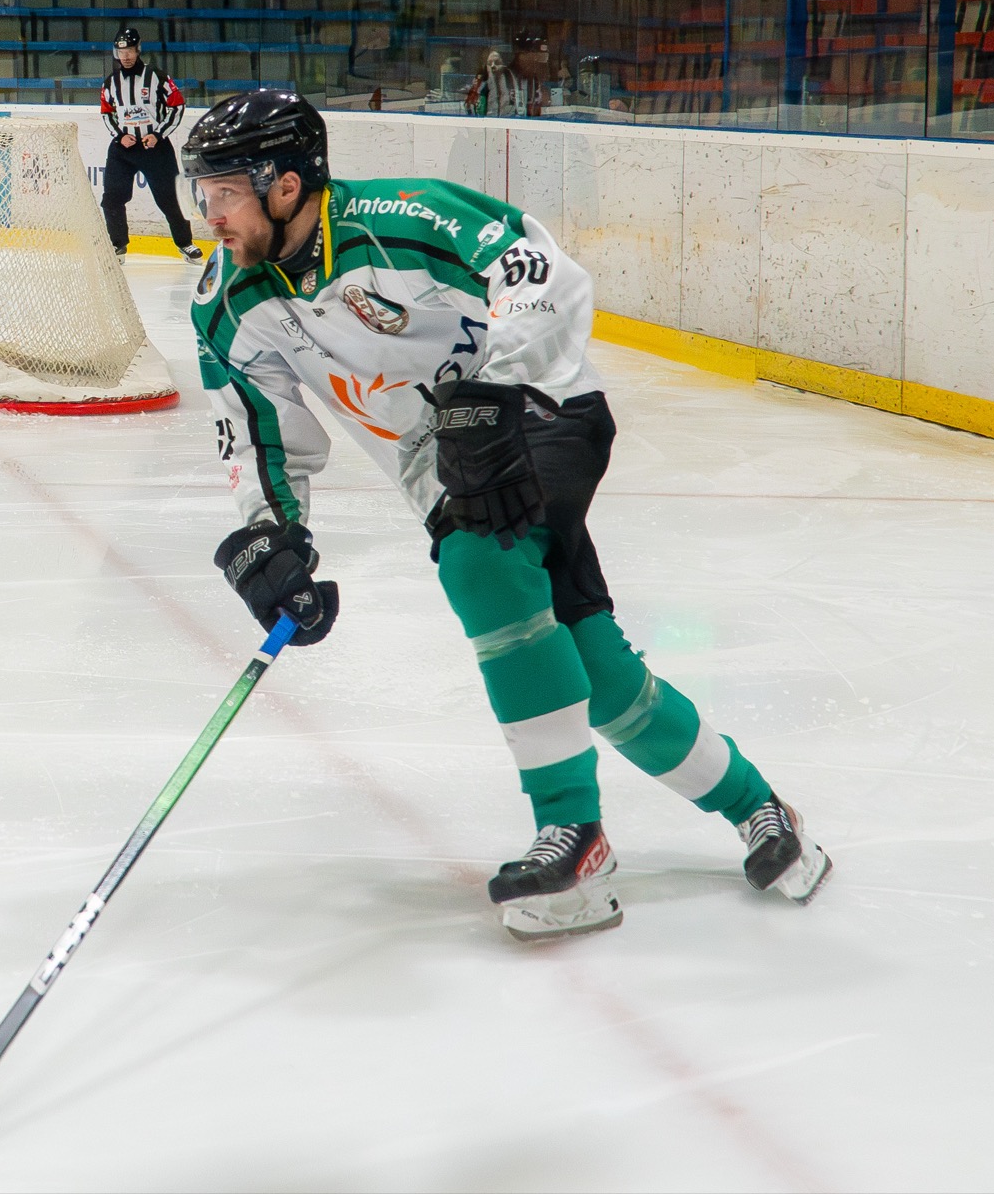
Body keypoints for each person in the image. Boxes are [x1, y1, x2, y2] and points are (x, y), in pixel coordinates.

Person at [181, 91, 833, 941]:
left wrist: (499, 383)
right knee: (594, 668)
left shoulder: (399, 218)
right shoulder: (228, 303)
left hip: (539, 407)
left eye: (225, 193)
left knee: (480, 559)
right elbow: (260, 433)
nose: (209, 215)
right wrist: (273, 536)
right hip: (440, 468)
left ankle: (574, 836)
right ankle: (761, 808)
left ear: (286, 185)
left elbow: (533, 266)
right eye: (204, 195)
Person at [99, 27, 202, 264]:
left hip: (155, 148)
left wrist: (158, 134)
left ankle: (185, 243)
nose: (125, 56)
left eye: (129, 50)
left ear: (138, 50)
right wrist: (119, 136)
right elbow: (107, 112)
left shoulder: (157, 76)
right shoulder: (110, 83)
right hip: (123, 149)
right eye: (121, 51)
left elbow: (177, 105)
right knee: (113, 198)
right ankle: (117, 245)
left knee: (170, 198)